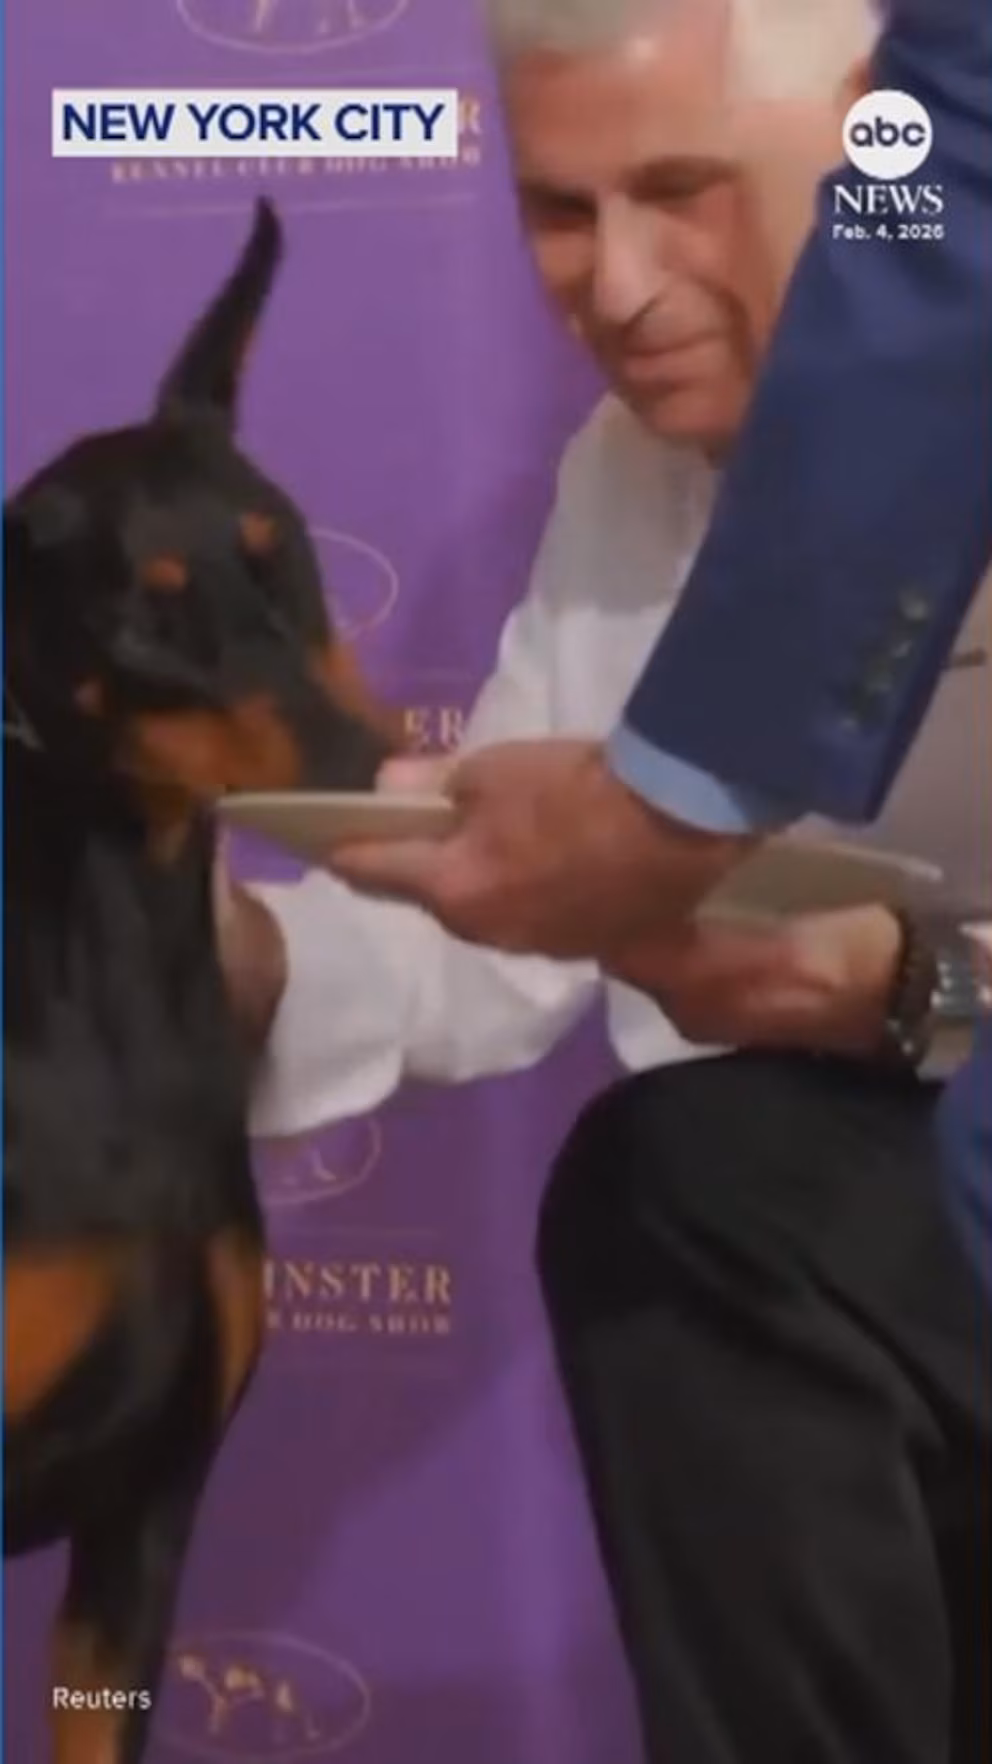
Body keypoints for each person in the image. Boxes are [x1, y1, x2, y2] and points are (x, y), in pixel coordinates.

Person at [219, 3, 992, 1759]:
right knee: (702, 1171)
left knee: (711, 1179)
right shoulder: (630, 475)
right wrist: (225, 959)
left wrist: (915, 992)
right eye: (561, 212)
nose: (619, 289)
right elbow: (511, 923)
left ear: (883, 147)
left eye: (682, 190)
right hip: (863, 1218)